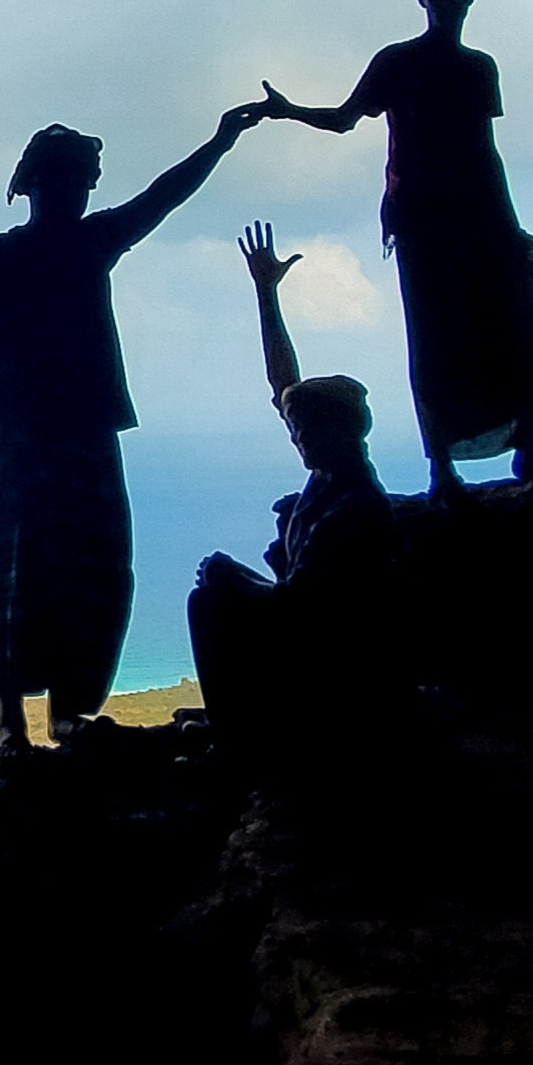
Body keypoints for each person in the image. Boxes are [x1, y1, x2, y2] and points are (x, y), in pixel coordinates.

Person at [0, 100, 270, 760]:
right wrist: (219, 141)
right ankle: (43, 721)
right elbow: (161, 198)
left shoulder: (9, 255)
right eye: (74, 180)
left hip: (34, 433)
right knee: (78, 566)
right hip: (67, 430)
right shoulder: (81, 243)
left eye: (81, 181)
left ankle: (34, 723)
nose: (79, 192)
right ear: (45, 185)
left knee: (35, 568)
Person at [255, 0, 533, 487]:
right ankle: (447, 464)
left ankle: (520, 447)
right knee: (442, 337)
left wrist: (512, 228)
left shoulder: (471, 67)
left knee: (512, 328)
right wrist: (289, 111)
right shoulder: (406, 62)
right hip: (429, 219)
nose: (448, 2)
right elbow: (345, 120)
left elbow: (482, 152)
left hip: (468, 213)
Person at [188, 223, 404, 760]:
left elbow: (298, 607)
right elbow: (283, 383)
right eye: (297, 431)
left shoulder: (354, 507)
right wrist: (266, 294)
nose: (299, 440)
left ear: (343, 430)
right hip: (319, 640)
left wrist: (233, 576)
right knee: (214, 595)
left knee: (211, 599)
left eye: (308, 432)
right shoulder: (331, 478)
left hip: (338, 659)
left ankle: (240, 742)